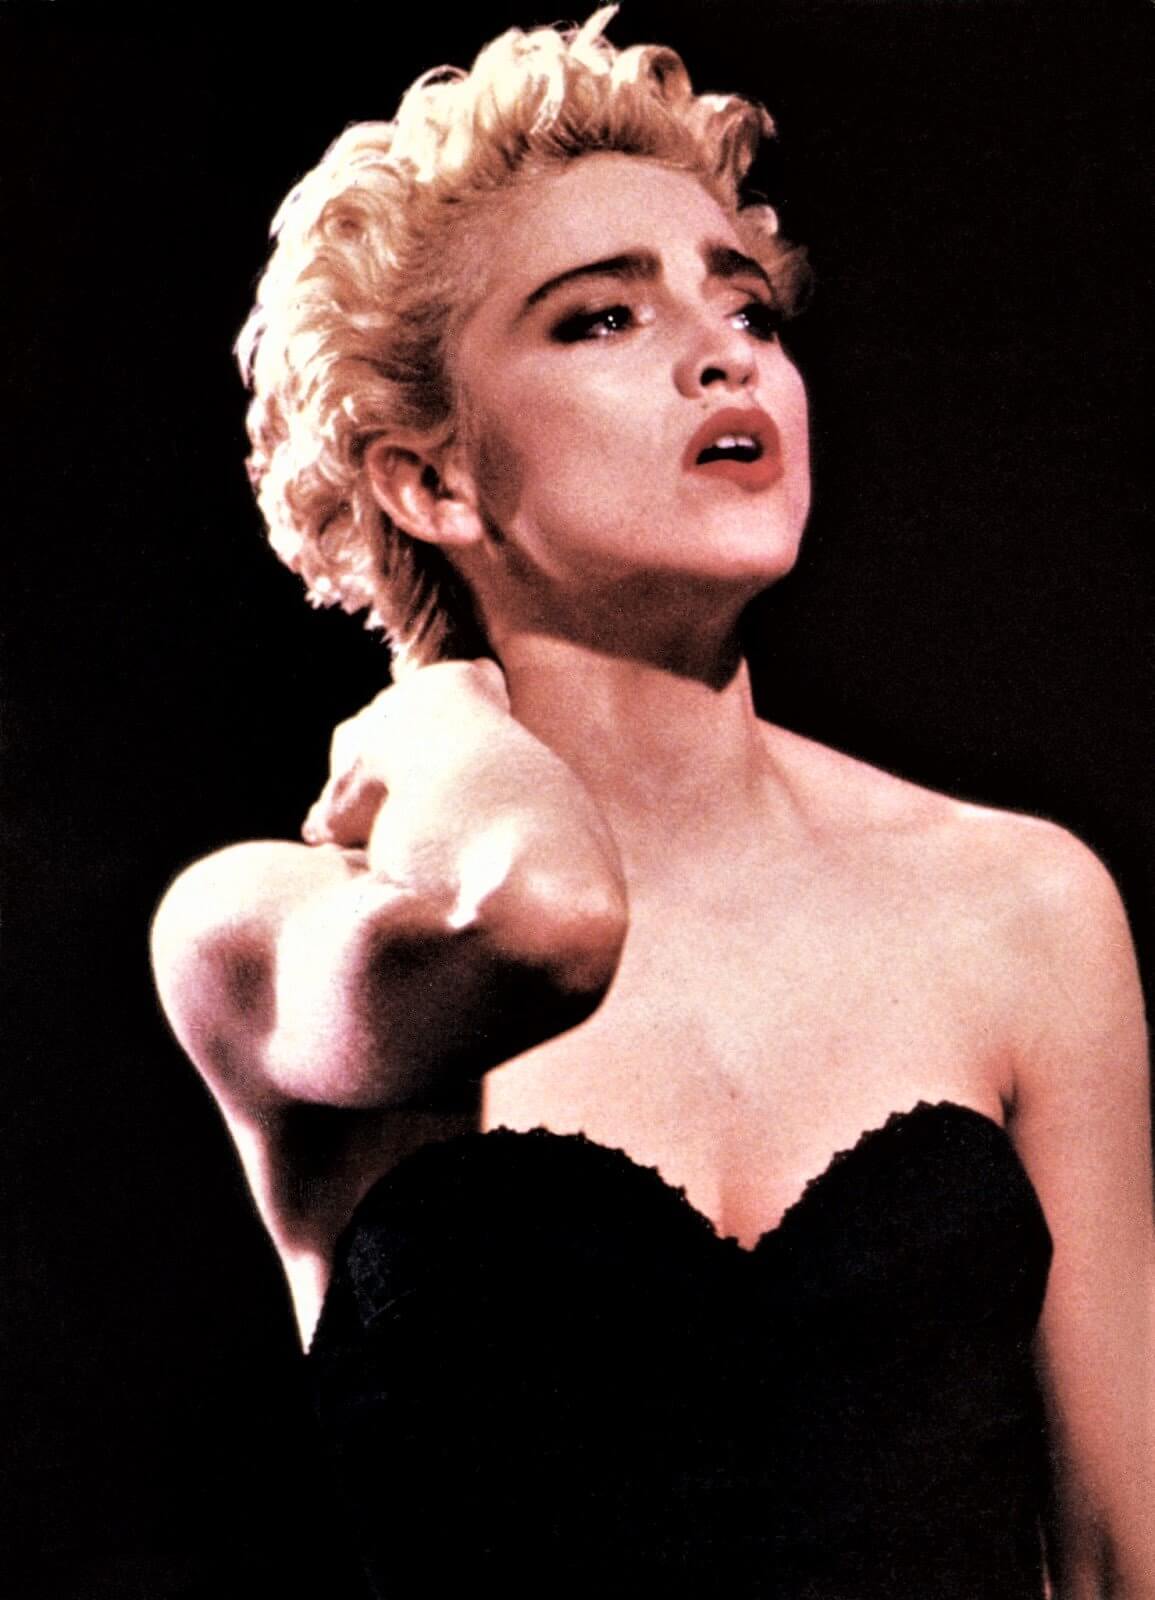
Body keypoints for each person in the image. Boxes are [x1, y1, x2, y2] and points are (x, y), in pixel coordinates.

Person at [149, 10, 1154, 1597]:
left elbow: (1120, 1559)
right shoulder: (268, 926)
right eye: (603, 317)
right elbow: (547, 921)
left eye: (746, 305)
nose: (724, 351)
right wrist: (443, 720)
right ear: (432, 482)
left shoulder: (1025, 903)